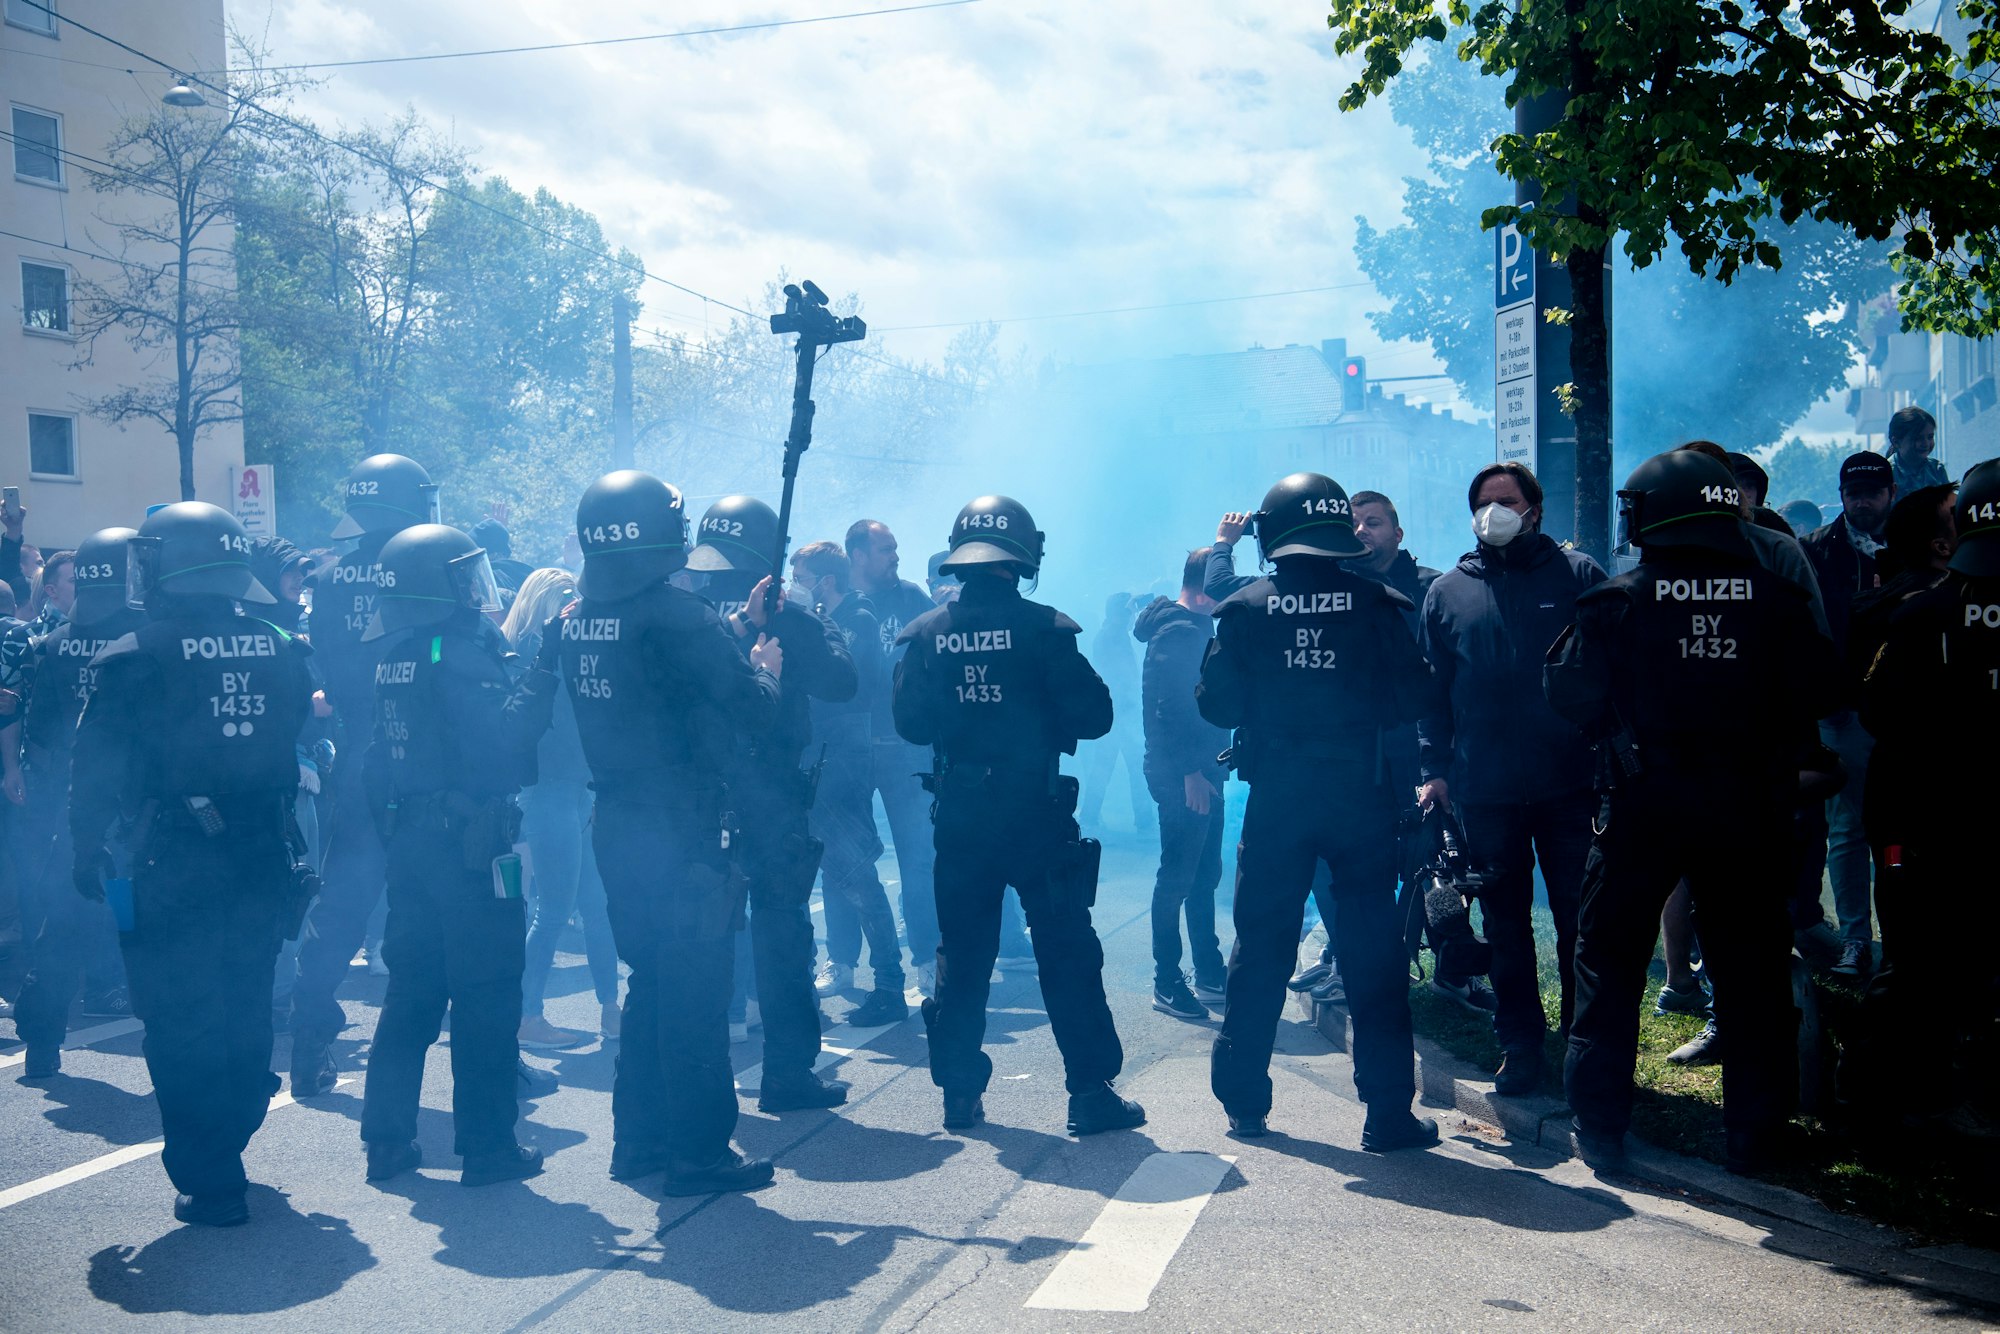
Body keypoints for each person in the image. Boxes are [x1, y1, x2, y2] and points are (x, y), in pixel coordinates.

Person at [1548, 451, 1838, 1174]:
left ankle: (1600, 1124)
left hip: (1641, 807)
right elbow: (1820, 690)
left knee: (1609, 960)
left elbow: (1569, 694)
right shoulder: (1777, 598)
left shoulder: (1613, 602)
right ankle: (1756, 1136)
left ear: (1651, 512)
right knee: (1753, 969)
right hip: (1746, 809)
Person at [70, 503, 315, 1225]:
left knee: (179, 1016)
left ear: (166, 566)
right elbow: (295, 728)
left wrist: (84, 845)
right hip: (264, 853)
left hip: (172, 855)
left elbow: (96, 765)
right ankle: (235, 1119)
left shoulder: (135, 652)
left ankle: (211, 1181)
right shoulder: (281, 644)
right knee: (246, 996)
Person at [1197, 472, 1439, 1149]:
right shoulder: (1380, 603)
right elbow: (1415, 697)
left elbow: (1216, 705)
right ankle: (1387, 1115)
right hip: (1360, 798)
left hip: (1278, 800)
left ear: (1272, 533)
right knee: (1372, 954)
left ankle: (1245, 1105)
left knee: (1260, 947)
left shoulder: (1245, 608)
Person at [557, 471, 782, 1195]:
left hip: (617, 822)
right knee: (695, 990)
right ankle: (700, 1153)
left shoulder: (579, 617)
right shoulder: (679, 615)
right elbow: (750, 708)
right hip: (683, 826)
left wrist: (732, 630)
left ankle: (638, 1144)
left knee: (650, 981)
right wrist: (764, 670)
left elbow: (660, 674)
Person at [892, 495, 1142, 1136]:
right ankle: (1089, 1094)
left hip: (961, 816)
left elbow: (909, 723)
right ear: (1023, 559)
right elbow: (1096, 716)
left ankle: (959, 1096)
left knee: (963, 956)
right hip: (1036, 814)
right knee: (1065, 951)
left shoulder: (926, 634)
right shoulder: (1044, 629)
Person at [356, 524, 556, 1186]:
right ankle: (489, 1145)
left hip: (414, 845)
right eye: (465, 576)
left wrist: (400, 836)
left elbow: (374, 763)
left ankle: (386, 1141)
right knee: (487, 994)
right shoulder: (462, 653)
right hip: (471, 849)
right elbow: (508, 741)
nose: (477, 587)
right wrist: (544, 670)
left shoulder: (397, 653)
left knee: (411, 993)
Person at [1417, 461, 1605, 1095]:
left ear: (1535, 509)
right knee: (1505, 925)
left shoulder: (1578, 576)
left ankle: (1583, 1048)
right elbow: (1433, 693)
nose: (1493, 513)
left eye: (1506, 500)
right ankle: (1520, 1043)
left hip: (1571, 785)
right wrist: (1433, 769)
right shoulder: (1448, 592)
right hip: (1486, 791)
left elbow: (1612, 670)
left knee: (1582, 922)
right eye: (1482, 503)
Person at [687, 496, 854, 1112]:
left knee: (703, 931)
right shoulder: (785, 617)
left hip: (701, 798)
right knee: (782, 930)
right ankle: (786, 1072)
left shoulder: (687, 611)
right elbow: (842, 681)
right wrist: (810, 617)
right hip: (770, 796)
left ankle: (703, 1081)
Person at [1855, 458, 1999, 1121]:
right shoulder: (1915, 610)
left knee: (1913, 962)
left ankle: (1893, 1102)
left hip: (1916, 825)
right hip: (1939, 825)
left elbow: (1876, 712)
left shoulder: (1919, 614)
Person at [290, 453, 438, 1094]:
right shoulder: (423, 563)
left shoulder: (329, 576)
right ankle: (473, 1054)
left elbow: (324, 659)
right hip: (421, 763)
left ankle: (308, 1040)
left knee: (342, 905)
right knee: (443, 906)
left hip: (356, 758)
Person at [9, 528, 142, 1076]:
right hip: (138, 813)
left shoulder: (55, 644)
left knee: (62, 923)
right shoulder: (147, 640)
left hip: (74, 809)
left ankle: (42, 1042)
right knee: (140, 922)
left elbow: (39, 734)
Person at [503, 568, 621, 1048]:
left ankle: (611, 1010)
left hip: (579, 790)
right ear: (542, 604)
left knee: (598, 906)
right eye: (565, 599)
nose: (575, 608)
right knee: (553, 909)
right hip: (548, 790)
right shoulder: (525, 656)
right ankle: (527, 1016)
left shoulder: (568, 653)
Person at [791, 540, 908, 1023]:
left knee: (857, 870)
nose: (794, 585)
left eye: (801, 577)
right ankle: (842, 965)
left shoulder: (857, 618)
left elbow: (844, 684)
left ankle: (890, 983)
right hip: (818, 753)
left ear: (826, 581)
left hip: (842, 754)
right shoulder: (828, 617)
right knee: (831, 869)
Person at [1799, 451, 1897, 979]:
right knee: (1850, 829)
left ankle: (1897, 938)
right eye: (1853, 492)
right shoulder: (1816, 549)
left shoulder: (1909, 542)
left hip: (1902, 709)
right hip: (1843, 706)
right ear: (1841, 494)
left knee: (1894, 830)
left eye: (1871, 492)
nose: (1861, 501)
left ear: (1890, 493)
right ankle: (1858, 938)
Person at [846, 519, 948, 992]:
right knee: (845, 857)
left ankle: (928, 958)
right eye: (885, 549)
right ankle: (842, 961)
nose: (895, 556)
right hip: (849, 748)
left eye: (894, 548)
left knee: (918, 856)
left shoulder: (910, 597)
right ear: (858, 556)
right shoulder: (841, 602)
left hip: (905, 747)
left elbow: (941, 652)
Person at [1133, 549, 1228, 1020]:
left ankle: (1209, 970)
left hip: (1204, 770)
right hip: (1183, 776)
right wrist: (1191, 771)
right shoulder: (1178, 631)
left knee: (1204, 876)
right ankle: (1167, 982)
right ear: (1202, 584)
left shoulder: (1196, 626)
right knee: (1177, 879)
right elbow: (1169, 707)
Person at [1080, 592, 1153, 838]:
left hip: (1116, 714)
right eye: (1129, 612)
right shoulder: (1112, 635)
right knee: (1123, 769)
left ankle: (1091, 818)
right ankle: (1142, 823)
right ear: (1120, 614)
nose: (1133, 616)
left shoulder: (1111, 634)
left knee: (1106, 769)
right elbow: (1120, 678)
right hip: (1119, 715)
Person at [1885, 406, 1949, 497]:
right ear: (1896, 442)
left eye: (1930, 437)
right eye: (1918, 438)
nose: (1926, 443)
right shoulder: (1887, 473)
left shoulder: (1937, 469)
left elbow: (1949, 502)